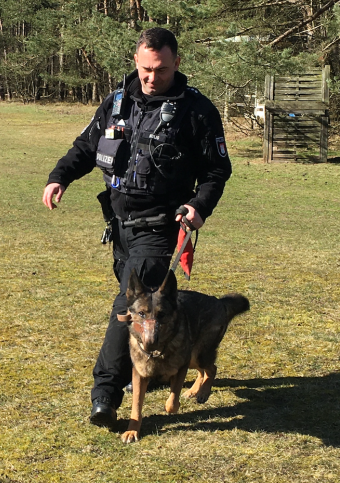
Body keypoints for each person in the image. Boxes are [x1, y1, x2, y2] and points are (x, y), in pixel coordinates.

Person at [42, 27, 233, 427]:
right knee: (146, 309)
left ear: (177, 63)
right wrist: (59, 176)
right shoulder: (117, 102)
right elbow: (85, 147)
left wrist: (199, 206)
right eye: (145, 69)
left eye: (160, 70)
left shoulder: (197, 110)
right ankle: (157, 366)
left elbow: (217, 170)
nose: (150, 77)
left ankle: (105, 395)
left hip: (161, 228)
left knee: (126, 308)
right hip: (120, 227)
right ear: (135, 61)